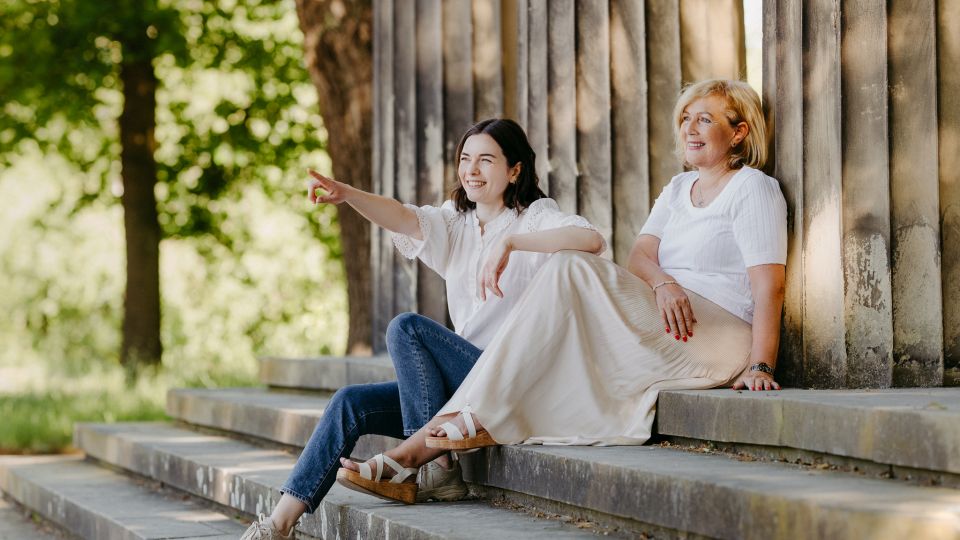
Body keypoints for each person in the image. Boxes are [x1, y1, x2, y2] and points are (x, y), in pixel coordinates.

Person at [337, 79, 787, 500]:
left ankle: (421, 450)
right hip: (667, 316)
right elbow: (640, 257)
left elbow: (769, 285)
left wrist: (760, 363)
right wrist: (665, 283)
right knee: (566, 283)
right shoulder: (678, 187)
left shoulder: (753, 189)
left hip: (717, 335)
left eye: (705, 119)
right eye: (686, 118)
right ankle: (418, 453)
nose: (690, 128)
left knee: (572, 265)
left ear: (739, 132)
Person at [240, 118, 605, 538]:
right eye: (465, 159)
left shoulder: (535, 217)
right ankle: (277, 525)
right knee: (348, 402)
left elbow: (590, 239)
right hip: (460, 391)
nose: (471, 170)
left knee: (407, 329)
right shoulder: (455, 222)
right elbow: (401, 217)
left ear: (515, 169)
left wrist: (511, 243)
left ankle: (426, 462)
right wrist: (347, 195)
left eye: (486, 160)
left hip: (504, 376)